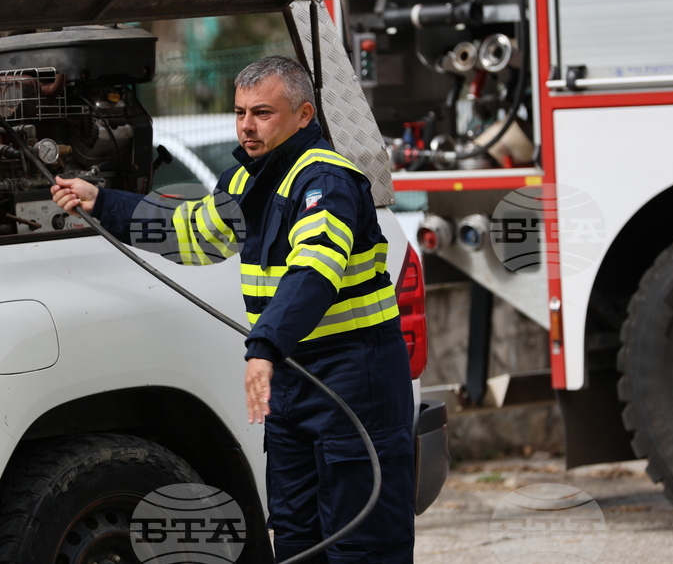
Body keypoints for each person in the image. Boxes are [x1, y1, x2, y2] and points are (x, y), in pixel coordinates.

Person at [52, 56, 415, 563]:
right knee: (295, 534)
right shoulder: (245, 181)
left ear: (304, 115)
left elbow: (315, 272)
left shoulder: (326, 183)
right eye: (240, 112)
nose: (247, 125)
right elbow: (190, 233)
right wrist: (103, 202)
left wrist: (264, 346)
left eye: (263, 113)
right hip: (293, 381)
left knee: (363, 541)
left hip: (353, 380)